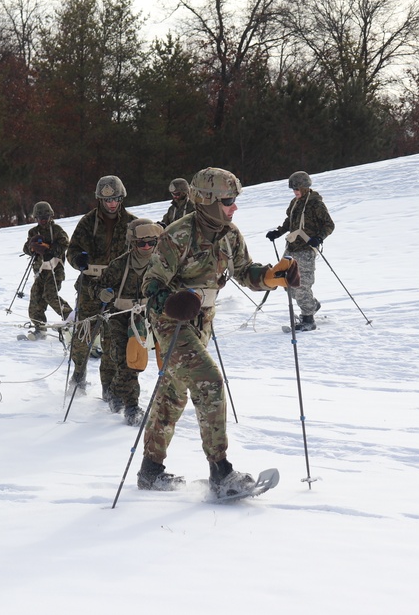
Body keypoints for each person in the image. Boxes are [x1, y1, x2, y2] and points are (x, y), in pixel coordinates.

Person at [136, 167, 300, 497]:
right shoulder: (178, 235)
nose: (234, 207)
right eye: (228, 200)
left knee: (173, 393)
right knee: (209, 380)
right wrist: (172, 301)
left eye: (235, 200)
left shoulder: (229, 234)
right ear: (207, 201)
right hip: (172, 322)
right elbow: (150, 285)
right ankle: (220, 472)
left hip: (201, 322)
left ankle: (150, 471)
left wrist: (272, 276)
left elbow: (245, 272)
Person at [65, 175, 138, 398]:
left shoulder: (132, 223)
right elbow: (72, 250)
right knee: (83, 334)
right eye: (107, 200)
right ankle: (78, 373)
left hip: (117, 287)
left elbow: (141, 253)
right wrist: (78, 260)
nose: (112, 204)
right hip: (90, 286)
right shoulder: (87, 222)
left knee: (112, 339)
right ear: (99, 199)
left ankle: (108, 386)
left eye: (116, 199)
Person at [95, 218, 164, 425]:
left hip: (150, 315)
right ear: (132, 243)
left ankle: (116, 391)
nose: (146, 247)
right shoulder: (120, 265)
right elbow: (97, 287)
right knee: (129, 361)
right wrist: (103, 294)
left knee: (153, 360)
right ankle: (132, 407)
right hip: (121, 316)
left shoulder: (162, 263)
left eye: (151, 243)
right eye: (141, 243)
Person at [265, 171, 335, 331]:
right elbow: (290, 221)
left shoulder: (316, 204)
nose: (295, 191)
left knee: (302, 285)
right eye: (293, 189)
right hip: (291, 248)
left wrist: (319, 237)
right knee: (287, 283)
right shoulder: (295, 202)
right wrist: (278, 232)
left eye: (297, 188)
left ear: (305, 187)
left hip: (306, 250)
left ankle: (308, 319)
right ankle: (311, 305)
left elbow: (329, 225)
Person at [22, 201, 72, 340]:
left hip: (55, 270)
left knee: (50, 295)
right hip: (40, 272)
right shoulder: (32, 232)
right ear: (35, 218)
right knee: (36, 298)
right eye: (40, 217)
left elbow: (65, 244)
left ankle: (72, 318)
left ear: (51, 216)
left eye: (46, 216)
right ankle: (40, 328)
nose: (43, 219)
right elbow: (26, 249)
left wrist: (50, 249)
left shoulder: (57, 230)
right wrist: (32, 247)